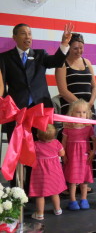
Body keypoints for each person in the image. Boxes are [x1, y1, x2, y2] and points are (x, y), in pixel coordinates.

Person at [0, 22, 73, 192]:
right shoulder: (4, 58)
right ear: (15, 37)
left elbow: (56, 60)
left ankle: (38, 188)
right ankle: (17, 191)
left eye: (30, 34)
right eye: (24, 34)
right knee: (17, 152)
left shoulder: (40, 55)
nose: (28, 37)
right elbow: (2, 87)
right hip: (17, 113)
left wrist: (64, 44)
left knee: (40, 150)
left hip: (40, 112)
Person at [61, 99, 96, 211]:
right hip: (72, 156)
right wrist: (64, 155)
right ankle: (72, 200)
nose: (81, 115)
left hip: (84, 155)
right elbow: (63, 142)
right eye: (78, 112)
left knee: (84, 179)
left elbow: (94, 140)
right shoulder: (68, 127)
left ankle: (84, 199)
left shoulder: (88, 127)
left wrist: (93, 151)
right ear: (72, 113)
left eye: (84, 112)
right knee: (72, 180)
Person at [29, 124, 67, 220]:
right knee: (55, 192)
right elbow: (62, 153)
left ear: (37, 135)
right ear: (54, 135)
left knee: (40, 194)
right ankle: (58, 209)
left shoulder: (35, 144)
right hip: (54, 172)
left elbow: (29, 154)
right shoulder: (56, 143)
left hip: (40, 173)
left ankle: (40, 214)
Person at [55, 33, 96, 115]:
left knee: (89, 128)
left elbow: (94, 87)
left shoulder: (87, 62)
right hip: (72, 108)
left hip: (88, 108)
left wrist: (91, 103)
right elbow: (63, 91)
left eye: (81, 48)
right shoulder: (62, 64)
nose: (79, 51)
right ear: (68, 48)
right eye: (75, 48)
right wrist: (81, 105)